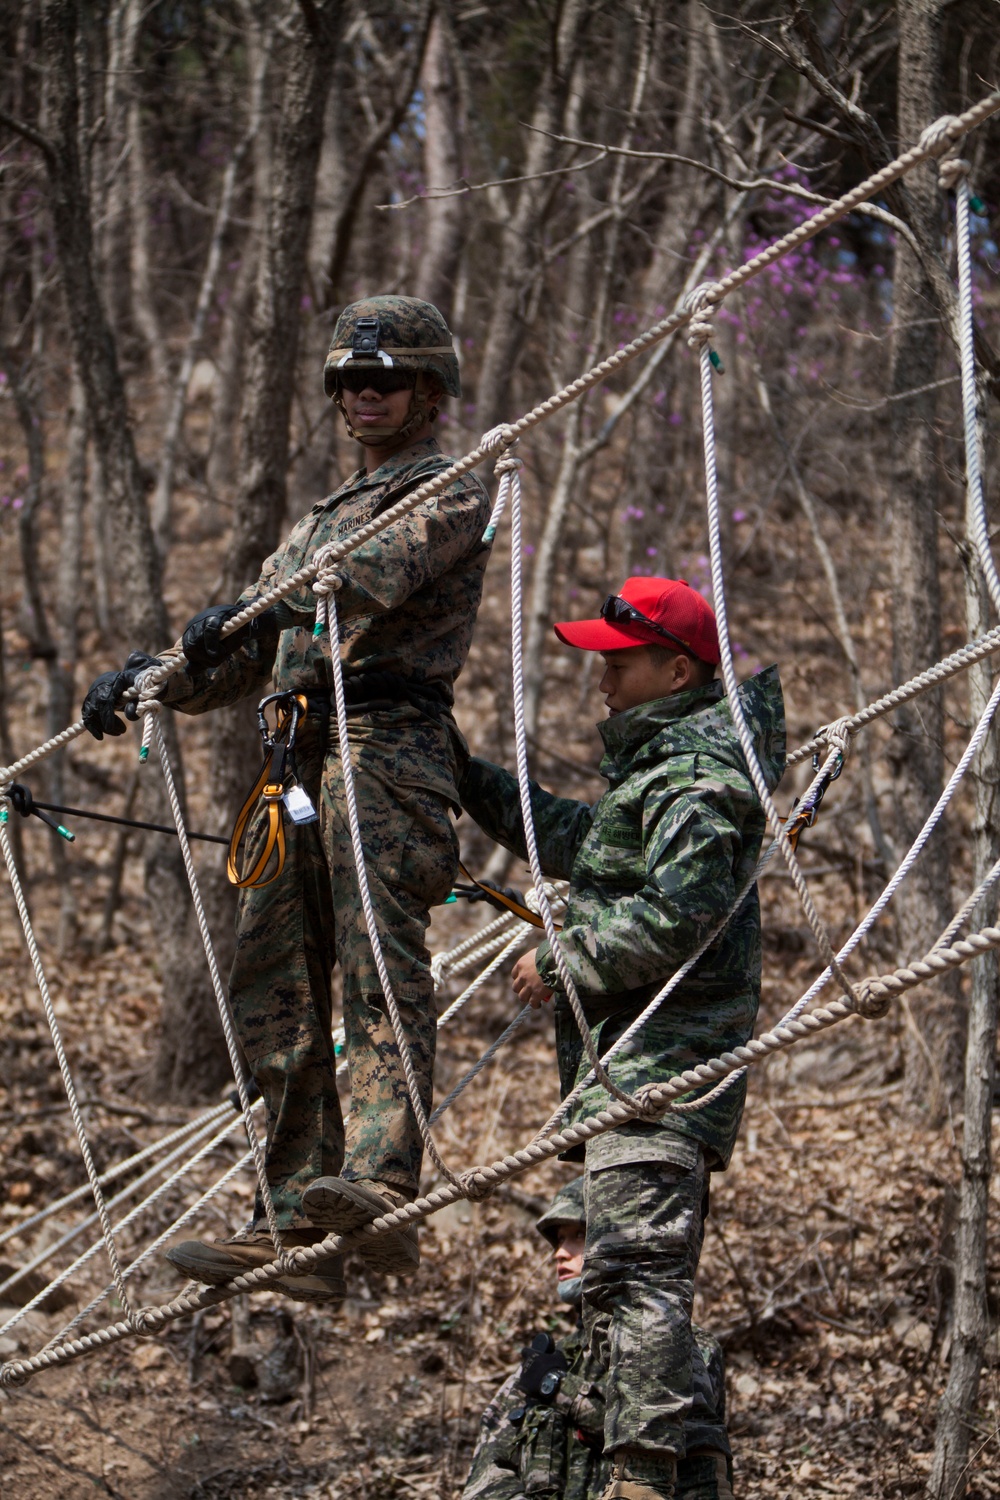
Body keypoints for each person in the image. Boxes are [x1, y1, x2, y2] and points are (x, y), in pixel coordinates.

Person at [82, 296, 492, 1302]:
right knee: (275, 988)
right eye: (350, 382)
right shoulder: (317, 520)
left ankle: (380, 1186)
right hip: (295, 763)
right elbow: (254, 653)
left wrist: (260, 608)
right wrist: (155, 680)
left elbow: (360, 583)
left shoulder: (450, 488)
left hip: (384, 749)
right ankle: (290, 1218)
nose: (365, 396)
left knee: (371, 967)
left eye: (385, 380)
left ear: (428, 389)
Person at [458, 577, 785, 1500]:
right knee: (612, 1282)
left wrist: (570, 959)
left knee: (637, 1280)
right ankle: (628, 1464)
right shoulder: (658, 768)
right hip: (630, 1070)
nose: (600, 673)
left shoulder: (699, 774)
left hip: (666, 1071)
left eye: (619, 658)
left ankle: (643, 1477)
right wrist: (468, 778)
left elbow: (686, 910)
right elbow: (579, 841)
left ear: (675, 669)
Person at [463, 1178, 733, 1500]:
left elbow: (665, 1434)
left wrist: (563, 1389)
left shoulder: (690, 1348)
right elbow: (487, 1471)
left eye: (578, 1235)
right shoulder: (551, 1359)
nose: (560, 1254)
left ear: (616, 1240)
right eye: (560, 1239)